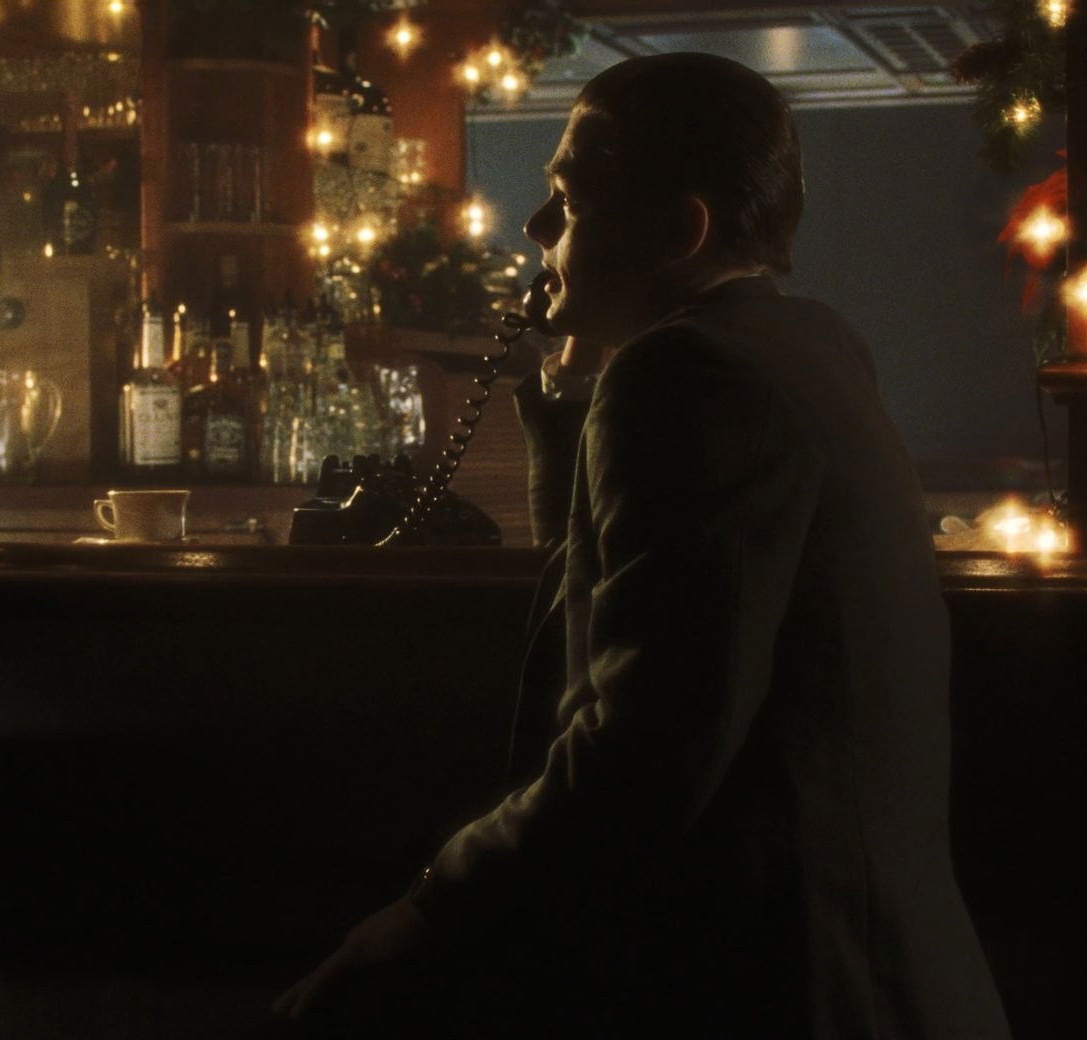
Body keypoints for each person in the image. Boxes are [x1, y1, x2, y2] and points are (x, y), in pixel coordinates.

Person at [273, 52, 1012, 1037]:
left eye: (569, 201)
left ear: (677, 232)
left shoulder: (684, 374)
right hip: (866, 969)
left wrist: (431, 903)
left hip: (783, 984)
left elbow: (644, 745)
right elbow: (596, 610)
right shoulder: (807, 342)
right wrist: (570, 391)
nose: (536, 229)